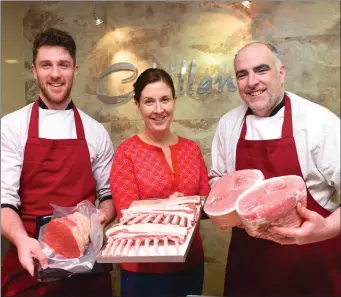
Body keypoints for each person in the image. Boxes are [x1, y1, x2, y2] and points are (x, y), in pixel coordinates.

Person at [209, 41, 340, 297]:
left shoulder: (319, 123)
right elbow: (217, 180)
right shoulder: (228, 125)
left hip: (311, 268)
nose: (252, 81)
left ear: (281, 73)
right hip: (248, 269)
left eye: (261, 70)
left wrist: (327, 228)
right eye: (242, 74)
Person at [1, 27, 116, 297]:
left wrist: (99, 219)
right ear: (34, 70)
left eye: (63, 65)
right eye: (46, 65)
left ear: (75, 70)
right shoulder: (11, 126)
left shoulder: (95, 131)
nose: (55, 74)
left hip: (86, 264)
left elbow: (108, 195)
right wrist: (20, 240)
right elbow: (4, 201)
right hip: (29, 258)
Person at [110, 68, 210, 297]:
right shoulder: (127, 153)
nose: (158, 110)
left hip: (191, 264)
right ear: (137, 105)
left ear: (174, 101)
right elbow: (125, 214)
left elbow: (205, 204)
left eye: (164, 100)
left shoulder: (191, 149)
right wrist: (168, 207)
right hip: (143, 270)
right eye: (149, 101)